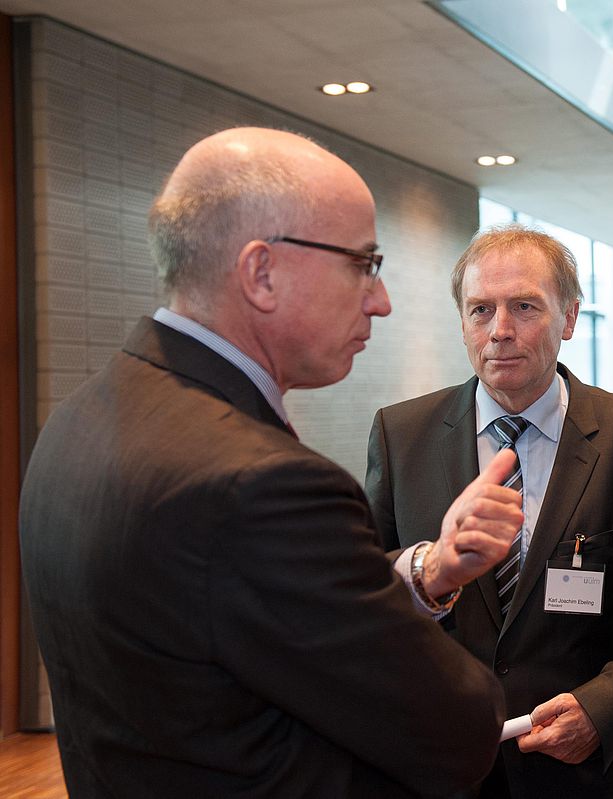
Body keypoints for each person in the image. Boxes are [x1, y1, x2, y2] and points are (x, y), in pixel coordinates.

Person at [19, 127, 525, 798]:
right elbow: (458, 730)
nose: (382, 299)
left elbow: (233, 606)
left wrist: (425, 571)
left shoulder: (80, 415)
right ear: (262, 272)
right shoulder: (264, 484)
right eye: (364, 263)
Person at [365, 224, 613, 798]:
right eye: (480, 309)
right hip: (437, 769)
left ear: (570, 318)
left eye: (524, 307)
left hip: (580, 774)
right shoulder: (402, 435)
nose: (500, 331)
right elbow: (365, 593)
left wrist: (603, 710)